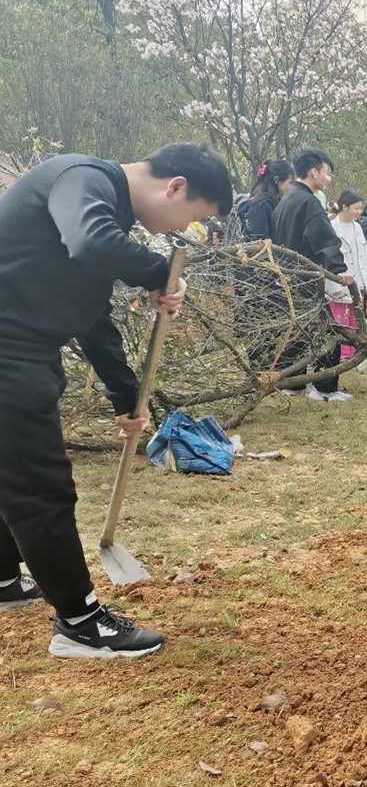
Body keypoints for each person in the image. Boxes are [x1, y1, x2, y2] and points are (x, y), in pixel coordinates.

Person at [0, 143, 231, 659]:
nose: (179, 232)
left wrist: (125, 396)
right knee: (40, 488)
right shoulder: (82, 179)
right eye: (190, 218)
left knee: (9, 473)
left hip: (21, 351)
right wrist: (158, 273)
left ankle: (4, 584)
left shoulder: (99, 204)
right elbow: (91, 244)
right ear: (175, 186)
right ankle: (80, 624)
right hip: (8, 354)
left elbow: (91, 315)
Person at [271, 146, 354, 402]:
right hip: (306, 280)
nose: (329, 179)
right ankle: (325, 388)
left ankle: (292, 384)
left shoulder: (285, 201)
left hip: (286, 279)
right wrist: (340, 270)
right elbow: (325, 240)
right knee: (327, 332)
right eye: (327, 172)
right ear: (314, 171)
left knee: (295, 331)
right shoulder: (309, 202)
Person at [329, 190, 367, 382]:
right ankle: (342, 353)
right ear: (345, 207)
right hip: (340, 280)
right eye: (356, 208)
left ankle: (354, 352)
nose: (359, 212)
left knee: (356, 316)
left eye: (360, 208)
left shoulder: (358, 228)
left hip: (358, 279)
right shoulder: (332, 228)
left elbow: (363, 257)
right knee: (341, 317)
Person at [229, 159, 294, 242]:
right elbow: (259, 243)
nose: (292, 187)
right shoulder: (261, 206)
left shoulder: (275, 203)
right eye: (290, 183)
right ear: (276, 180)